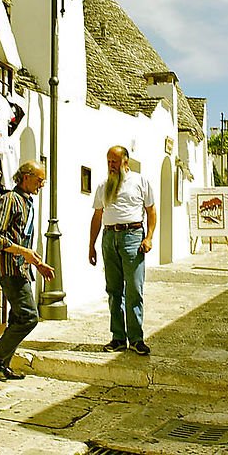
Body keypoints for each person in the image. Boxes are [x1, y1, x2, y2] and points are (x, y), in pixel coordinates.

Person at [0, 161, 55, 381]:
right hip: (9, 268)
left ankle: (1, 365)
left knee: (17, 319)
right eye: (39, 180)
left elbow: (20, 237)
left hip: (21, 267)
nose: (41, 185)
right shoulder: (8, 200)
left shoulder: (27, 203)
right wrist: (24, 253)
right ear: (26, 177)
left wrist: (37, 263)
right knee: (29, 317)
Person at [88, 145, 156, 355]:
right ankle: (118, 337)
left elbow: (151, 211)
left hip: (132, 237)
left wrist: (149, 237)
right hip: (109, 238)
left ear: (126, 161)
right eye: (109, 162)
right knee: (114, 290)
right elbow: (97, 216)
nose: (111, 166)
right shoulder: (103, 186)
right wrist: (91, 245)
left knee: (134, 289)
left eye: (115, 162)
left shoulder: (140, 181)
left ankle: (136, 339)